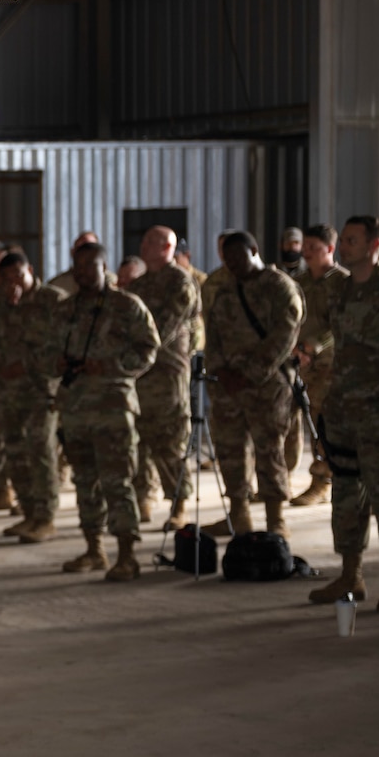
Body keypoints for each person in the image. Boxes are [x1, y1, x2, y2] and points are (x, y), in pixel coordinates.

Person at [307, 215, 379, 612]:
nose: (346, 246)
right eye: (345, 240)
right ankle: (350, 575)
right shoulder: (337, 291)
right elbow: (330, 338)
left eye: (354, 240)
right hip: (344, 412)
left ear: (375, 245)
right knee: (346, 496)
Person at [53, 240, 161, 581]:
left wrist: (112, 365)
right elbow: (43, 351)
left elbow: (148, 348)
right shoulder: (64, 309)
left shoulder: (126, 306)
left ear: (105, 268)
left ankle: (127, 554)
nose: (83, 272)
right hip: (74, 409)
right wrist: (55, 363)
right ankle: (94, 548)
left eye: (90, 265)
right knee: (85, 482)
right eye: (78, 266)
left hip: (113, 407)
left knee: (117, 482)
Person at [201, 230, 304, 538]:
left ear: (254, 250)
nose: (231, 264)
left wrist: (251, 372)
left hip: (267, 386)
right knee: (230, 452)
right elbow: (213, 337)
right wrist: (221, 372)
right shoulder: (225, 292)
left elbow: (285, 336)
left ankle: (275, 521)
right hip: (229, 388)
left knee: (269, 451)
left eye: (237, 257)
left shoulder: (279, 287)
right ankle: (239, 515)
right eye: (226, 259)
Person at [0, 252, 65, 542]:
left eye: (17, 274)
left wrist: (28, 365)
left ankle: (46, 516)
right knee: (15, 451)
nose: (12, 282)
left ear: (30, 269)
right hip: (7, 391)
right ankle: (28, 512)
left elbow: (63, 346)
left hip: (41, 389)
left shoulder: (53, 301)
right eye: (5, 278)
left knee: (41, 449)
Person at [126, 226, 203, 528]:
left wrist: (135, 348)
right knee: (140, 439)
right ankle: (144, 497)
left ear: (168, 247)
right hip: (139, 373)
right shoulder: (139, 284)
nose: (144, 246)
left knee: (171, 440)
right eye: (143, 240)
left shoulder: (180, 282)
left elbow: (162, 329)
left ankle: (178, 505)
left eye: (151, 242)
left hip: (167, 373)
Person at [287, 223, 346, 507]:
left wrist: (314, 346)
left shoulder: (344, 282)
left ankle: (324, 481)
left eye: (314, 248)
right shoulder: (300, 282)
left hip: (332, 366)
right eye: (305, 247)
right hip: (302, 364)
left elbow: (344, 325)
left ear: (330, 249)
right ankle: (313, 478)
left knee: (328, 424)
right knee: (310, 422)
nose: (306, 253)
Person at [48, 231, 98, 299]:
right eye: (79, 249)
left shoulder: (112, 283)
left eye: (89, 248)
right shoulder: (56, 284)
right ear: (72, 252)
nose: (84, 253)